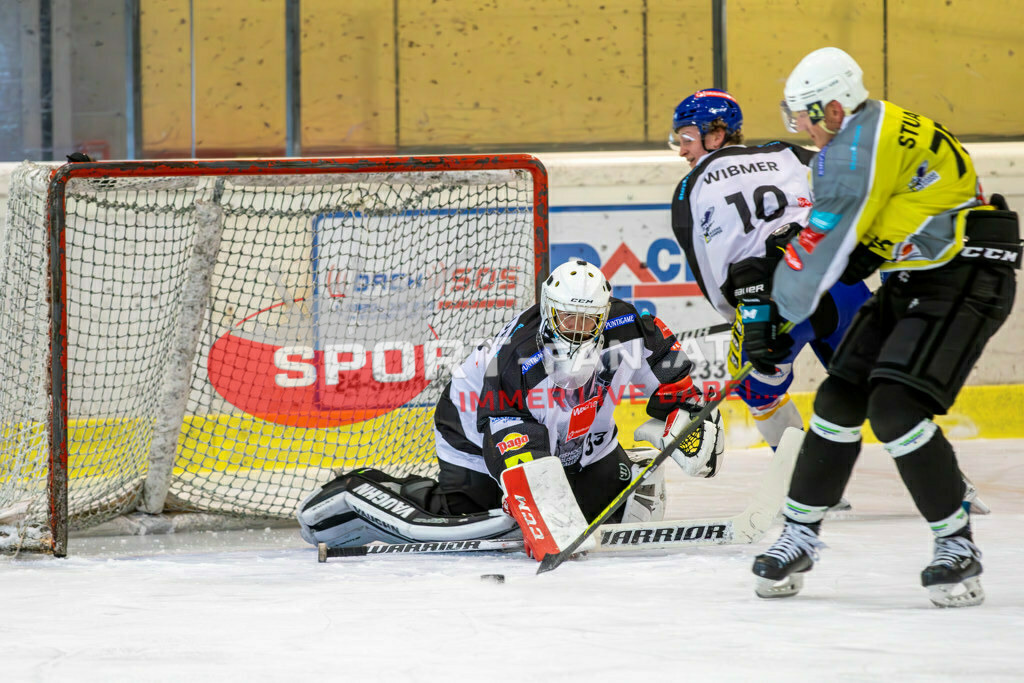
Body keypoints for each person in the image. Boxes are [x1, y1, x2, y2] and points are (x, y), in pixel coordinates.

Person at [747, 47, 1018, 607]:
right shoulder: (859, 138)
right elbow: (851, 248)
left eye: (804, 113)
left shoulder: (857, 148)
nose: (798, 126)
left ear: (834, 108)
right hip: (916, 276)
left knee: (894, 408)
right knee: (839, 400)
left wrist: (776, 319)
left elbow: (825, 248)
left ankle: (957, 546)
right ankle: (800, 533)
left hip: (967, 273)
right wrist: (785, 310)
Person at [297, 259, 725, 560]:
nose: (576, 331)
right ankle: (359, 491)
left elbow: (681, 393)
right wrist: (538, 511)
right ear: (548, 312)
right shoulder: (514, 359)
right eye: (566, 319)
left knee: (609, 514)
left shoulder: (632, 330)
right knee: (475, 514)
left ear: (604, 314)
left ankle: (624, 466)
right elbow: (511, 445)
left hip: (582, 441)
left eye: (587, 321)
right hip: (471, 436)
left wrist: (691, 425)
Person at [669, 88, 871, 455]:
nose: (682, 150)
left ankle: (802, 483)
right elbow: (852, 181)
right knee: (882, 383)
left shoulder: (688, 188)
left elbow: (709, 275)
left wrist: (739, 317)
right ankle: (951, 481)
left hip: (767, 306)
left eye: (686, 139)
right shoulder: (784, 151)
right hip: (840, 286)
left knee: (755, 390)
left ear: (715, 135)